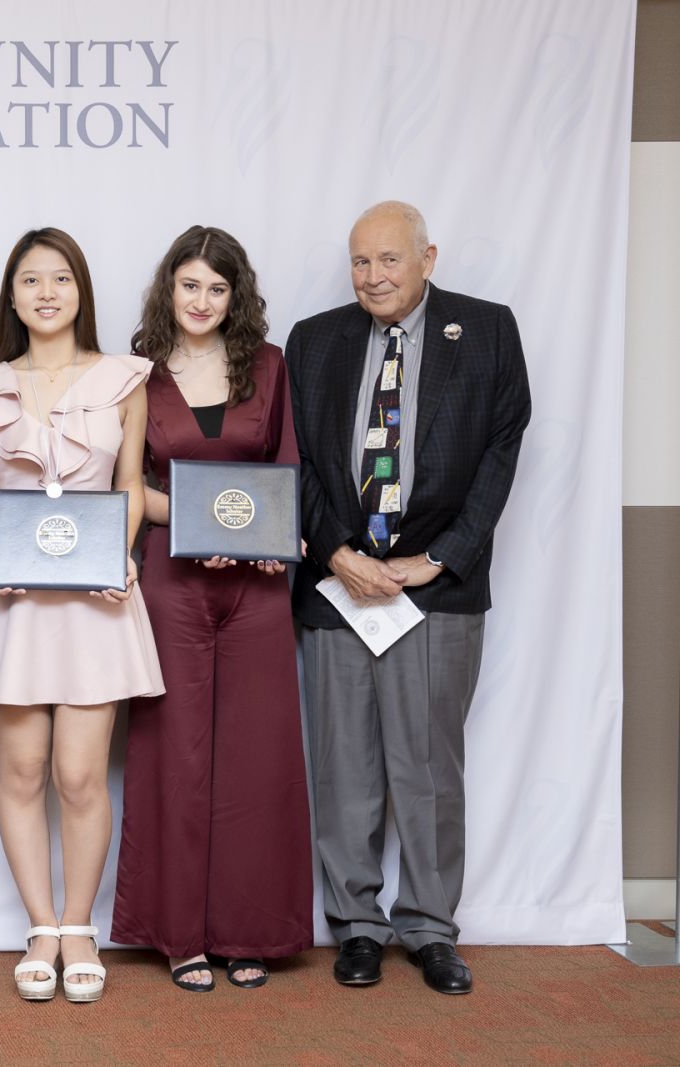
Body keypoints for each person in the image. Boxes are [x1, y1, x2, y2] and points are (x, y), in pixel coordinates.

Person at [286, 201, 530, 995]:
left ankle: (429, 927)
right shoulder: (313, 340)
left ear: (428, 256)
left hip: (438, 590)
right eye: (360, 262)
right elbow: (300, 467)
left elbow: (502, 450)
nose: (372, 276)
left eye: (388, 260)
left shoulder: (488, 330)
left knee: (426, 766)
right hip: (337, 587)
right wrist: (336, 552)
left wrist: (442, 558)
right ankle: (355, 925)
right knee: (344, 762)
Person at [108, 225, 312, 992]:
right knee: (176, 752)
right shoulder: (137, 374)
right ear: (169, 289)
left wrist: (270, 538)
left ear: (237, 296)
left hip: (259, 582)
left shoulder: (268, 365)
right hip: (172, 577)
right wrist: (199, 521)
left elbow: (286, 465)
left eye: (217, 289)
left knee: (257, 756)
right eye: (189, 285)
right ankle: (180, 933)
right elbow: (129, 487)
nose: (201, 301)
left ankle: (248, 929)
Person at [0, 227, 163, 1004]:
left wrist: (120, 556)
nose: (46, 293)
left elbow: (132, 484)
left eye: (61, 279)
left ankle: (80, 922)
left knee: (79, 773)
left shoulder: (123, 379)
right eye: (30, 280)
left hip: (96, 599)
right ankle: (39, 924)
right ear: (11, 295)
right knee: (20, 769)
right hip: (16, 597)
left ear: (81, 291)